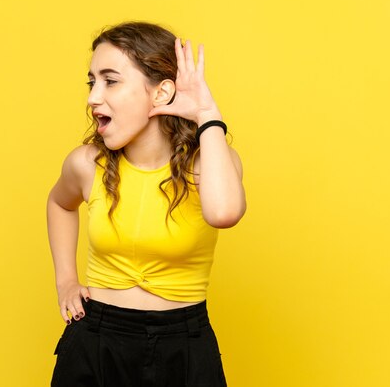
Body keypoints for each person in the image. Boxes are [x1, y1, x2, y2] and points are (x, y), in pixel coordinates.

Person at [47, 21, 246, 387]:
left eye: (111, 80)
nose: (93, 98)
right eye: (92, 82)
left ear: (161, 93)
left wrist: (206, 114)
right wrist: (66, 281)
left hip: (183, 347)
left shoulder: (210, 162)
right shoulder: (86, 164)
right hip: (96, 341)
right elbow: (60, 204)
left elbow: (224, 213)